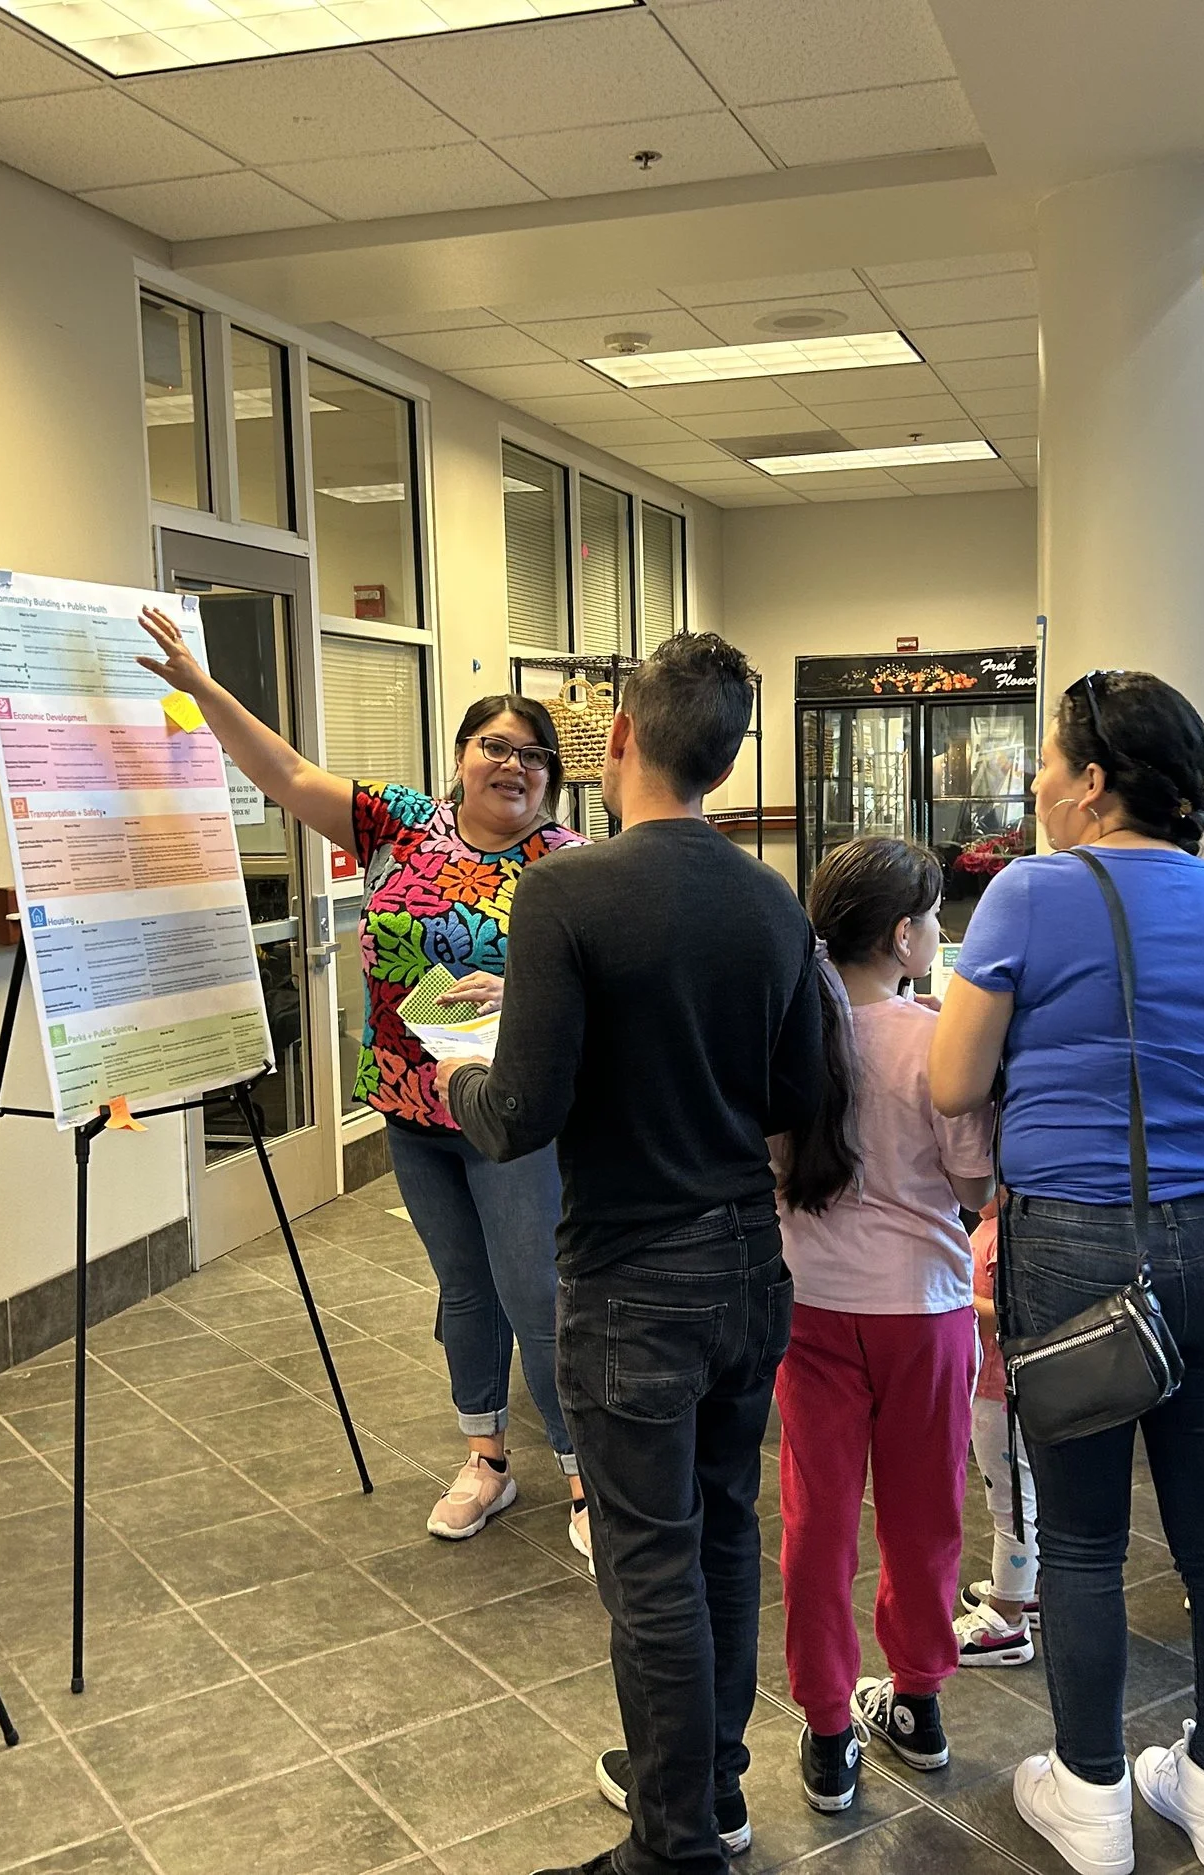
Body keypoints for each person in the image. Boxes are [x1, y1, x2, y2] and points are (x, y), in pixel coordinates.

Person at [434, 633, 823, 1875]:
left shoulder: (566, 893)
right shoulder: (771, 900)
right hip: (748, 1274)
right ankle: (712, 1790)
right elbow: (802, 1087)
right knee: (720, 1534)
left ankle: (672, 1851)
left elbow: (525, 1115)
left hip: (632, 1287)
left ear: (618, 746)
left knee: (645, 1563)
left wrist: (461, 1074)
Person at [931, 669, 1204, 1875]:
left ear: (1092, 782)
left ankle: (1090, 1801)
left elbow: (948, 1082)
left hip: (1077, 1243)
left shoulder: (1026, 896)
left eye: (1048, 760)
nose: (1036, 781)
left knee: (1084, 1543)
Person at [135, 609, 592, 1559]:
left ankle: (587, 1472)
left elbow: (615, 984)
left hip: (513, 1118)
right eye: (495, 747)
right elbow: (288, 774)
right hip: (411, 1107)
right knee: (464, 1288)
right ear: (460, 756)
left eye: (533, 756)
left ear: (553, 777)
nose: (514, 766)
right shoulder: (402, 825)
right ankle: (486, 1458)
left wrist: (528, 983)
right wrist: (201, 686)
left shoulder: (572, 865)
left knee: (534, 1291)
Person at [770, 837, 995, 1813]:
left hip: (810, 1308)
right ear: (902, 935)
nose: (939, 933)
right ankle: (918, 1703)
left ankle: (827, 1732)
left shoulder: (785, 1033)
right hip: (927, 1312)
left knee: (815, 1521)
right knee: (924, 1515)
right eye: (934, 916)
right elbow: (975, 1183)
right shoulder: (934, 1037)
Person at [955, 1198, 1041, 1669]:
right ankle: (1024, 1586)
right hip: (1006, 1388)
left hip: (999, 1391)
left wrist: (951, 1293)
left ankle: (1006, 1619)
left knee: (1011, 1505)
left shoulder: (1004, 1234)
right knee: (1026, 1497)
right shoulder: (999, 1226)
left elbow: (1010, 1313)